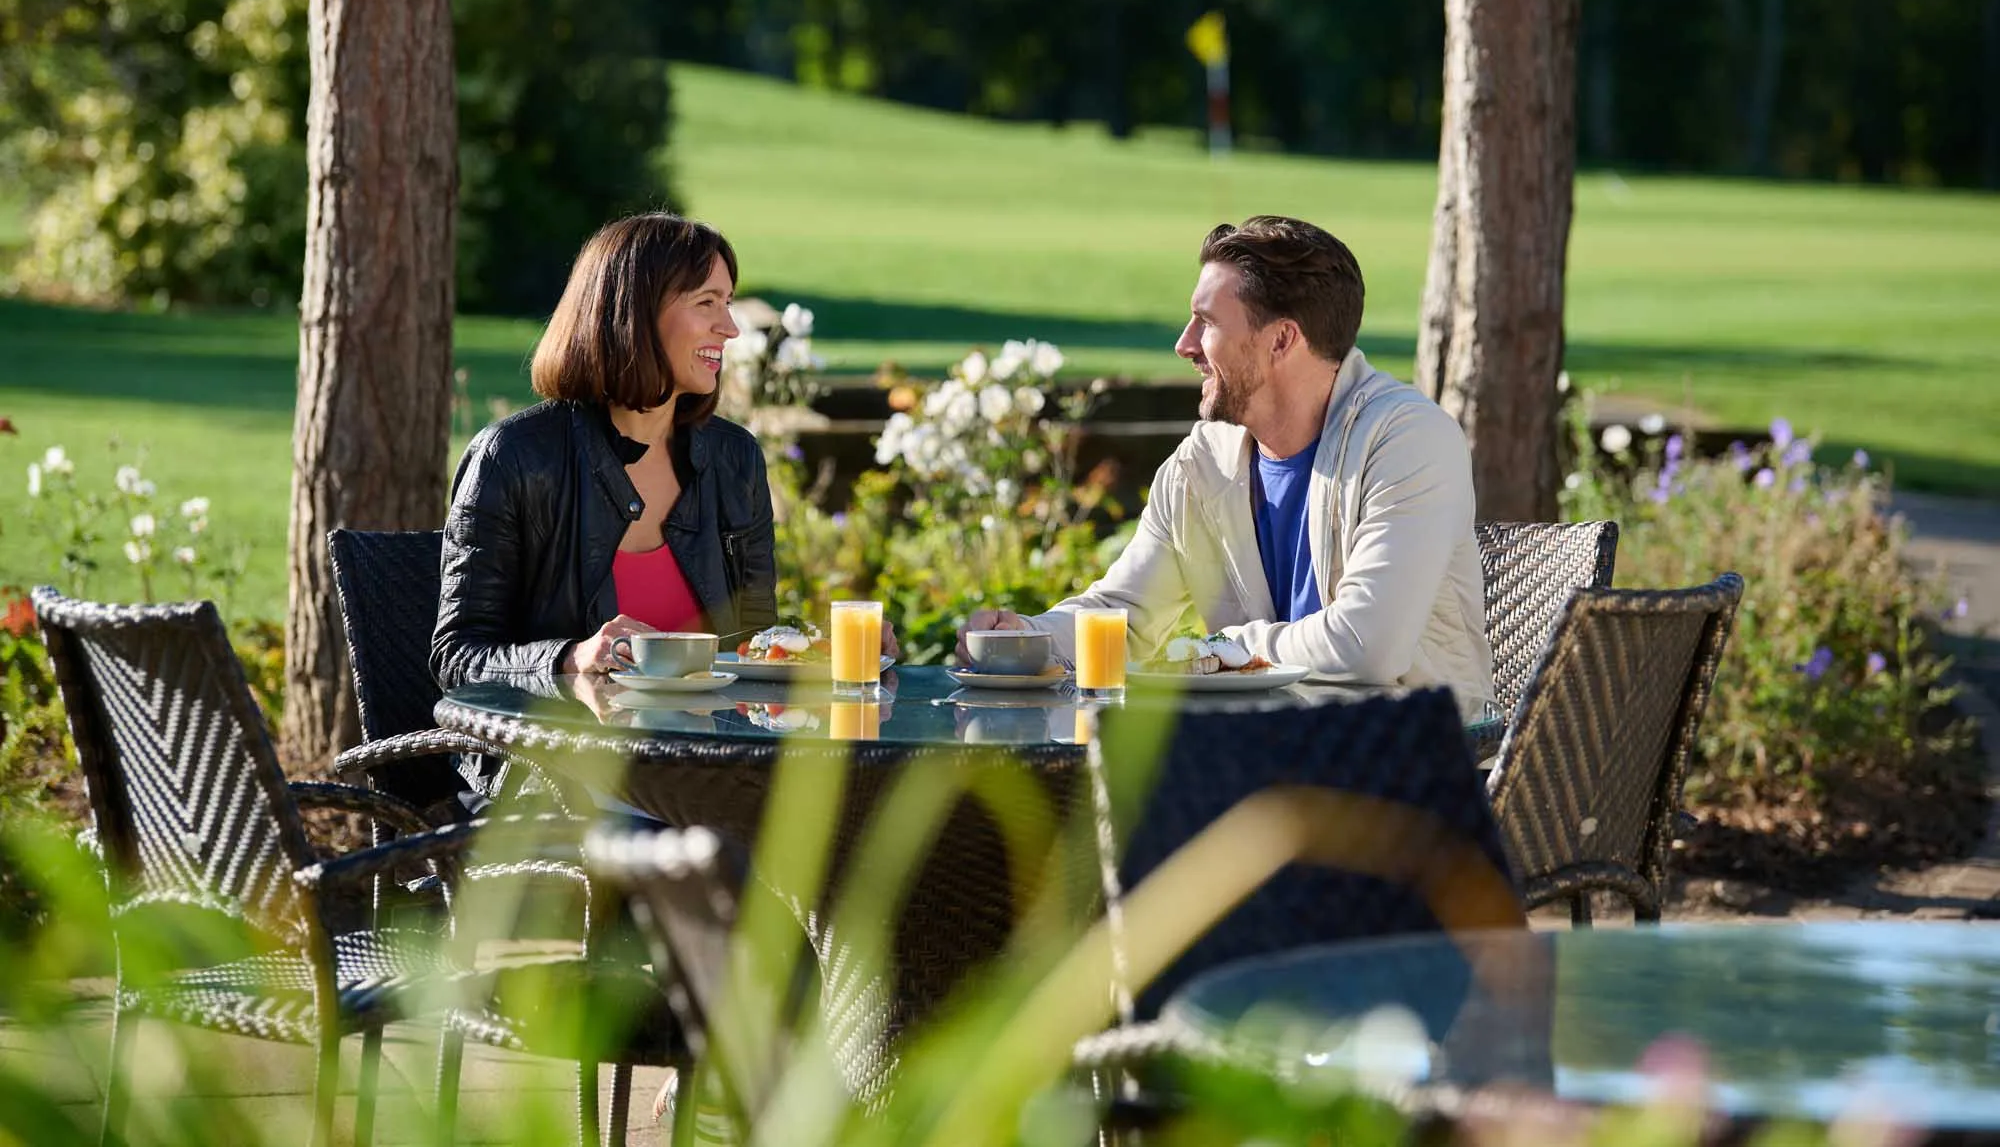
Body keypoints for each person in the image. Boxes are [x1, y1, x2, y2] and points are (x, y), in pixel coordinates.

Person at [957, 215, 1493, 706]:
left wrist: (1226, 648)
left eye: (1206, 322)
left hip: (1415, 770)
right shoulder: (1203, 464)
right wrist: (1027, 638)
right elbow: (1125, 615)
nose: (1184, 345)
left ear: (1282, 339)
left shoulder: (1406, 441)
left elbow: (1365, 645)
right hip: (1260, 767)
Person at [433, 212, 893, 686]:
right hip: (559, 750)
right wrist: (572, 657)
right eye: (707, 303)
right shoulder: (514, 458)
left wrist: (821, 649)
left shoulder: (734, 460)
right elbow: (457, 657)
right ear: (635, 314)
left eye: (728, 302)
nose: (730, 328)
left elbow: (751, 640)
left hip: (705, 751)